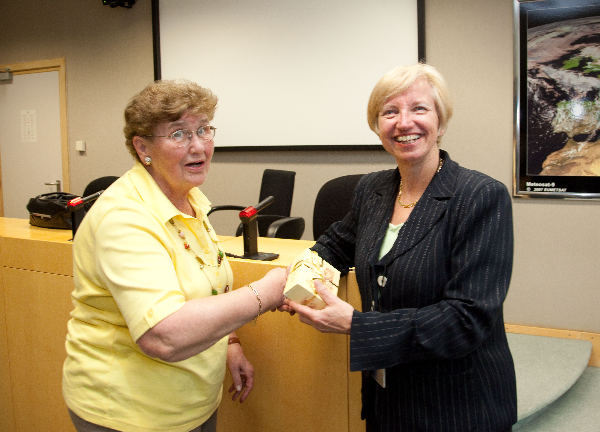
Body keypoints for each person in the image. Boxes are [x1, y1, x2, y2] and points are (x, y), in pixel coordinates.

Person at [283, 64, 517, 431]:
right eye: (389, 112)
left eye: (419, 109)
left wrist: (357, 326)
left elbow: (466, 319)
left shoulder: (481, 196)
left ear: (440, 122)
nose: (403, 122)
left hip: (457, 405)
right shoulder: (373, 190)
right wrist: (301, 276)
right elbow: (333, 244)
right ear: (377, 127)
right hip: (388, 400)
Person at [62, 80, 287, 432]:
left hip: (191, 405)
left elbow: (206, 282)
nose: (198, 146)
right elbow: (162, 334)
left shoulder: (189, 199)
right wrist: (267, 293)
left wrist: (230, 342)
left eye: (203, 130)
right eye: (179, 134)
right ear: (142, 147)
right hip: (130, 415)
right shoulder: (124, 217)